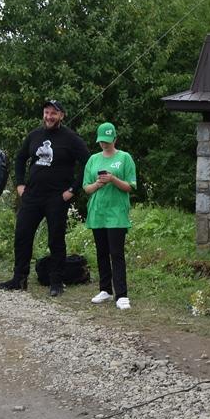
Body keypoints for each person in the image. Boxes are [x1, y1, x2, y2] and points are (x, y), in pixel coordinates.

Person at [0, 100, 89, 296]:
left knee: (55, 240)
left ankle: (56, 282)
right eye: (46, 112)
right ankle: (19, 278)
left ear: (61, 116)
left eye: (53, 113)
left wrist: (73, 190)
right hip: (32, 195)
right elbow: (21, 158)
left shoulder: (71, 138)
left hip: (57, 197)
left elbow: (88, 163)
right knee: (22, 235)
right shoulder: (34, 135)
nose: (49, 117)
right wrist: (20, 184)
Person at [83, 122, 137, 310]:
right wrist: (98, 183)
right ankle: (105, 289)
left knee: (117, 253)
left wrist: (113, 179)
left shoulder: (125, 158)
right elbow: (86, 188)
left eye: (108, 141)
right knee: (101, 252)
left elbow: (130, 186)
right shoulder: (92, 160)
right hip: (98, 212)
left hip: (117, 213)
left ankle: (121, 294)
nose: (104, 144)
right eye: (101, 141)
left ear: (115, 139)